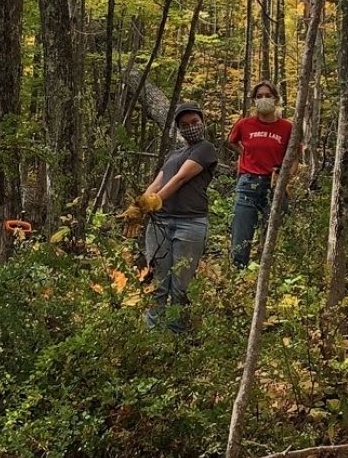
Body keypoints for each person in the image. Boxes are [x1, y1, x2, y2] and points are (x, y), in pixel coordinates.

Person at [120, 103, 217, 332]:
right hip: (160, 223)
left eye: (194, 122)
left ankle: (177, 337)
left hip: (190, 223)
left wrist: (155, 201)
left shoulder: (205, 149)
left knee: (180, 286)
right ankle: (153, 335)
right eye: (185, 125)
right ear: (179, 129)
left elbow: (181, 178)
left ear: (202, 122)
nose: (191, 128)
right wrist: (139, 205)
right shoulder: (174, 154)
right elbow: (159, 181)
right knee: (157, 282)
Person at [226, 82, 293, 268]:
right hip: (248, 184)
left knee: (278, 236)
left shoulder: (287, 127)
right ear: (254, 100)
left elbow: (294, 158)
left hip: (274, 185)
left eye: (267, 95)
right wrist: (244, 155)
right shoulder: (244, 124)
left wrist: (285, 178)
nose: (264, 99)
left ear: (276, 98)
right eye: (259, 96)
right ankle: (238, 276)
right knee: (241, 236)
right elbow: (231, 141)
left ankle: (272, 275)